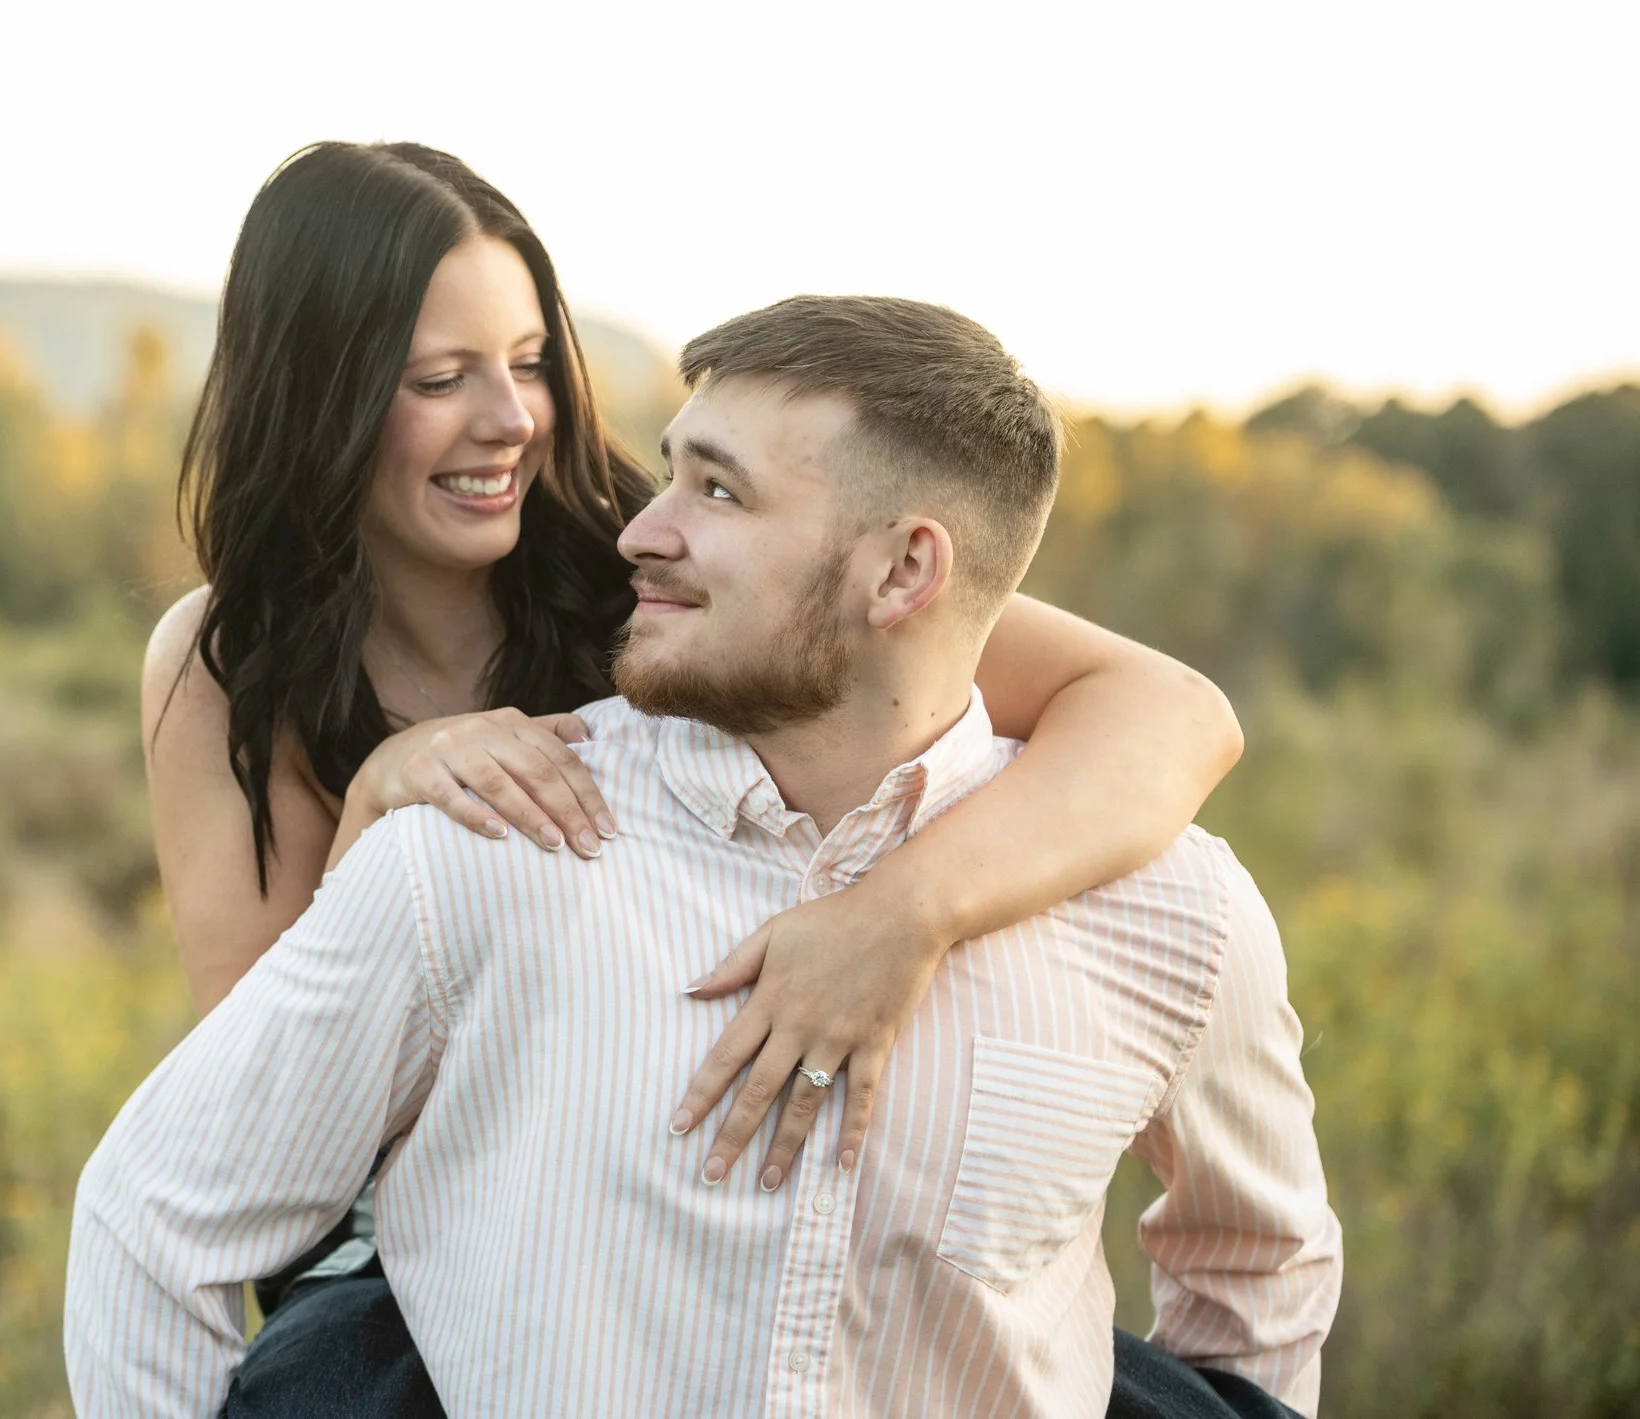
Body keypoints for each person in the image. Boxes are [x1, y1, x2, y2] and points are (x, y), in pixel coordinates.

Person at [73, 293, 1342, 1417]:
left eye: (718, 490)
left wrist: (906, 906)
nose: (640, 527)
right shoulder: (489, 841)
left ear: (907, 569)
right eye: (669, 470)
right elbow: (162, 1209)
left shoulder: (1175, 909)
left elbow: (1257, 1271)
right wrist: (375, 831)